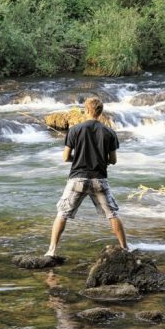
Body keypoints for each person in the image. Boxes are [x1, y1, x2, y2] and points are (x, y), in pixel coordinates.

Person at [45, 97, 128, 257]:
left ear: (87, 110)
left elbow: (65, 157)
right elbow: (113, 160)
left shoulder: (75, 130)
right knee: (112, 214)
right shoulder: (109, 132)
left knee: (62, 213)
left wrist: (78, 158)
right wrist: (101, 159)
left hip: (77, 179)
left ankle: (52, 250)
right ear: (100, 112)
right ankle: (125, 249)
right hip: (99, 180)